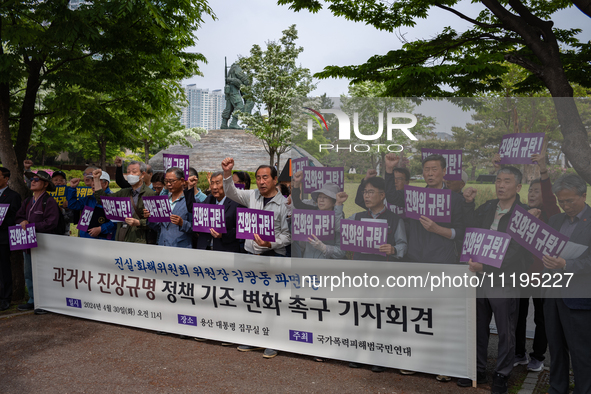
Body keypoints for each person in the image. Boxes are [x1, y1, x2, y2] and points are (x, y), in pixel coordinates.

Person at [458, 167, 533, 393]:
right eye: (498, 180)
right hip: (479, 276)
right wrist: (468, 203)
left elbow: (516, 251)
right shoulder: (488, 206)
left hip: (504, 279)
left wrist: (487, 266)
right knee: (479, 325)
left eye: (507, 181)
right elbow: (468, 229)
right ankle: (478, 370)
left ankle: (502, 373)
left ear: (518, 187)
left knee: (505, 330)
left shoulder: (525, 213)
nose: (501, 185)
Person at [221, 157, 291, 359]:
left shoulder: (284, 204)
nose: (261, 182)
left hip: (272, 257)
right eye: (258, 178)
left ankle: (274, 340)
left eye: (265, 178)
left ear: (275, 179)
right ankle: (253, 338)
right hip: (250, 256)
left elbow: (288, 236)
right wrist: (227, 173)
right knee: (252, 299)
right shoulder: (252, 196)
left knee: (273, 301)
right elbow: (230, 192)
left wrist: (271, 243)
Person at [543, 174, 591, 394]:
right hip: (552, 294)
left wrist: (566, 264)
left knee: (581, 351)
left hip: (579, 296)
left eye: (570, 201)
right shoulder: (555, 220)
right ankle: (557, 388)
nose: (565, 206)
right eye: (561, 201)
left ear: (584, 194)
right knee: (555, 347)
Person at [384, 153, 465, 264]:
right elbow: (391, 196)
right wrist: (389, 169)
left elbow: (460, 232)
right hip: (415, 258)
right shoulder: (414, 195)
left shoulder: (455, 199)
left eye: (434, 169)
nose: (430, 174)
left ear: (444, 171)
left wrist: (437, 229)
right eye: (426, 170)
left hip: (442, 260)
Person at [15, 171, 60, 314]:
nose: (32, 182)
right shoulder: (28, 201)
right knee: (28, 272)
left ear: (45, 184)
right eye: (31, 180)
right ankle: (33, 300)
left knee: (44, 273)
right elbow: (18, 216)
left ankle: (46, 302)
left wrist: (31, 226)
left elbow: (51, 223)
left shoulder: (49, 201)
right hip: (28, 243)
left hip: (44, 243)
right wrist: (22, 221)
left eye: (36, 180)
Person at [93, 161, 157, 243]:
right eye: (128, 172)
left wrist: (138, 222)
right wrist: (96, 179)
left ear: (143, 174)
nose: (130, 174)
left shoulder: (150, 194)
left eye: (134, 172)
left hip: (138, 237)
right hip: (121, 233)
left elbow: (155, 222)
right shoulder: (124, 192)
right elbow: (103, 200)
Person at [195, 171, 244, 253]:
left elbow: (241, 230)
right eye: (212, 183)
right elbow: (193, 210)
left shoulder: (236, 203)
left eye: (218, 183)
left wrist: (223, 235)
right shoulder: (209, 199)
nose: (214, 187)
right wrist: (190, 187)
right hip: (205, 249)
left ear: (226, 184)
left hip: (225, 251)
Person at [144, 168, 192, 248]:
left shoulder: (190, 201)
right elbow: (159, 227)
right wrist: (150, 217)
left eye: (172, 181)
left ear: (182, 181)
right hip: (163, 245)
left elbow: (196, 228)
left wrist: (182, 223)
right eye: (166, 181)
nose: (168, 184)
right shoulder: (163, 200)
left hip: (181, 247)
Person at [67, 170, 116, 240]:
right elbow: (72, 205)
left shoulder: (113, 199)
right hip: (85, 239)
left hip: (103, 242)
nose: (93, 184)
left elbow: (116, 222)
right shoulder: (89, 198)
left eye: (97, 181)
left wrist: (101, 229)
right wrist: (72, 188)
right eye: (92, 181)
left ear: (105, 184)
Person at [0, 167, 22, 311]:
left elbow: (16, 218)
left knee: (3, 269)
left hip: (3, 238)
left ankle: (4, 298)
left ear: (6, 179)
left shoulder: (13, 196)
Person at [221, 62, 251, 129]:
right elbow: (244, 80)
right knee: (239, 106)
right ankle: (233, 123)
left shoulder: (232, 69)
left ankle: (224, 123)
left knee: (229, 107)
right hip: (232, 90)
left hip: (229, 90)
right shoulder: (237, 68)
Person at [51, 170, 74, 235]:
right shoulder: (46, 194)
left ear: (65, 183)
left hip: (64, 231)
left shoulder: (70, 195)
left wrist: (64, 210)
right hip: (47, 231)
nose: (58, 182)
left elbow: (72, 219)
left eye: (61, 180)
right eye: (55, 180)